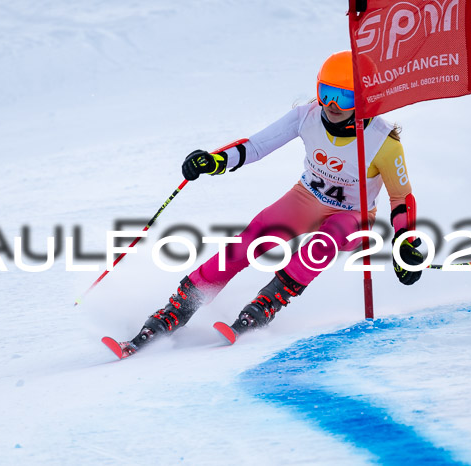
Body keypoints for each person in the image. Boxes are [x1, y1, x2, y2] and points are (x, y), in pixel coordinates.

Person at [122, 50, 423, 355]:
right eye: (326, 93)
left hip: (353, 215)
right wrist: (213, 162)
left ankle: (267, 303)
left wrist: (404, 242)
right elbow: (256, 146)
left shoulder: (383, 142)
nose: (331, 105)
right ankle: (180, 307)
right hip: (307, 197)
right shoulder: (305, 117)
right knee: (250, 239)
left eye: (344, 98)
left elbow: (401, 198)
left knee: (323, 241)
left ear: (365, 99)